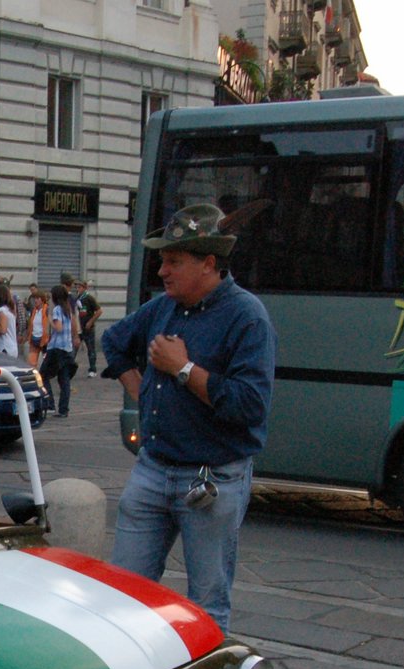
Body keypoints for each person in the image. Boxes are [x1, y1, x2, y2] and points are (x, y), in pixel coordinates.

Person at [102, 203, 275, 632]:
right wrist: (139, 390)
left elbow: (249, 406)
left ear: (209, 264)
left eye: (174, 261)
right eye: (163, 260)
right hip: (152, 470)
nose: (162, 271)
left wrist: (182, 369)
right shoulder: (163, 307)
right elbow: (114, 341)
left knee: (207, 604)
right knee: (123, 592)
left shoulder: (246, 316)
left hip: (211, 479)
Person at [41, 284, 77, 417]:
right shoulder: (68, 309)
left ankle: (50, 404)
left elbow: (59, 328)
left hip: (56, 348)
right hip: (67, 347)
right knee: (64, 379)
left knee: (43, 375)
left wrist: (50, 319)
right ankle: (63, 409)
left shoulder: (57, 310)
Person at [75, 277, 103, 374]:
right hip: (79, 329)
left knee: (90, 349)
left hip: (88, 328)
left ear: (84, 288)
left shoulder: (89, 298)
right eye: (76, 287)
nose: (77, 289)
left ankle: (92, 369)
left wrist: (90, 322)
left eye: (79, 287)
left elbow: (99, 311)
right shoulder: (77, 298)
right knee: (74, 349)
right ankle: (69, 369)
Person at [0, 280, 18, 360]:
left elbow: (2, 330)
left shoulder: (2, 311)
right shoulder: (9, 309)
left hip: (4, 348)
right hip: (11, 347)